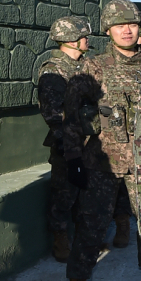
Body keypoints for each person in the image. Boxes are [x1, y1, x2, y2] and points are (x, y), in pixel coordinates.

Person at [60, 0, 141, 281]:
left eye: (132, 24)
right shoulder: (93, 69)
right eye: (119, 24)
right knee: (92, 227)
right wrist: (73, 159)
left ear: (140, 28)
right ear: (107, 30)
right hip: (102, 162)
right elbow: (71, 117)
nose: (126, 29)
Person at [37, 15, 92, 262]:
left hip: (92, 141)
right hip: (67, 142)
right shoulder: (53, 70)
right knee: (64, 194)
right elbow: (52, 112)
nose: (87, 40)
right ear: (70, 40)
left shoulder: (86, 65)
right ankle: (60, 240)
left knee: (87, 194)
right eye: (83, 36)